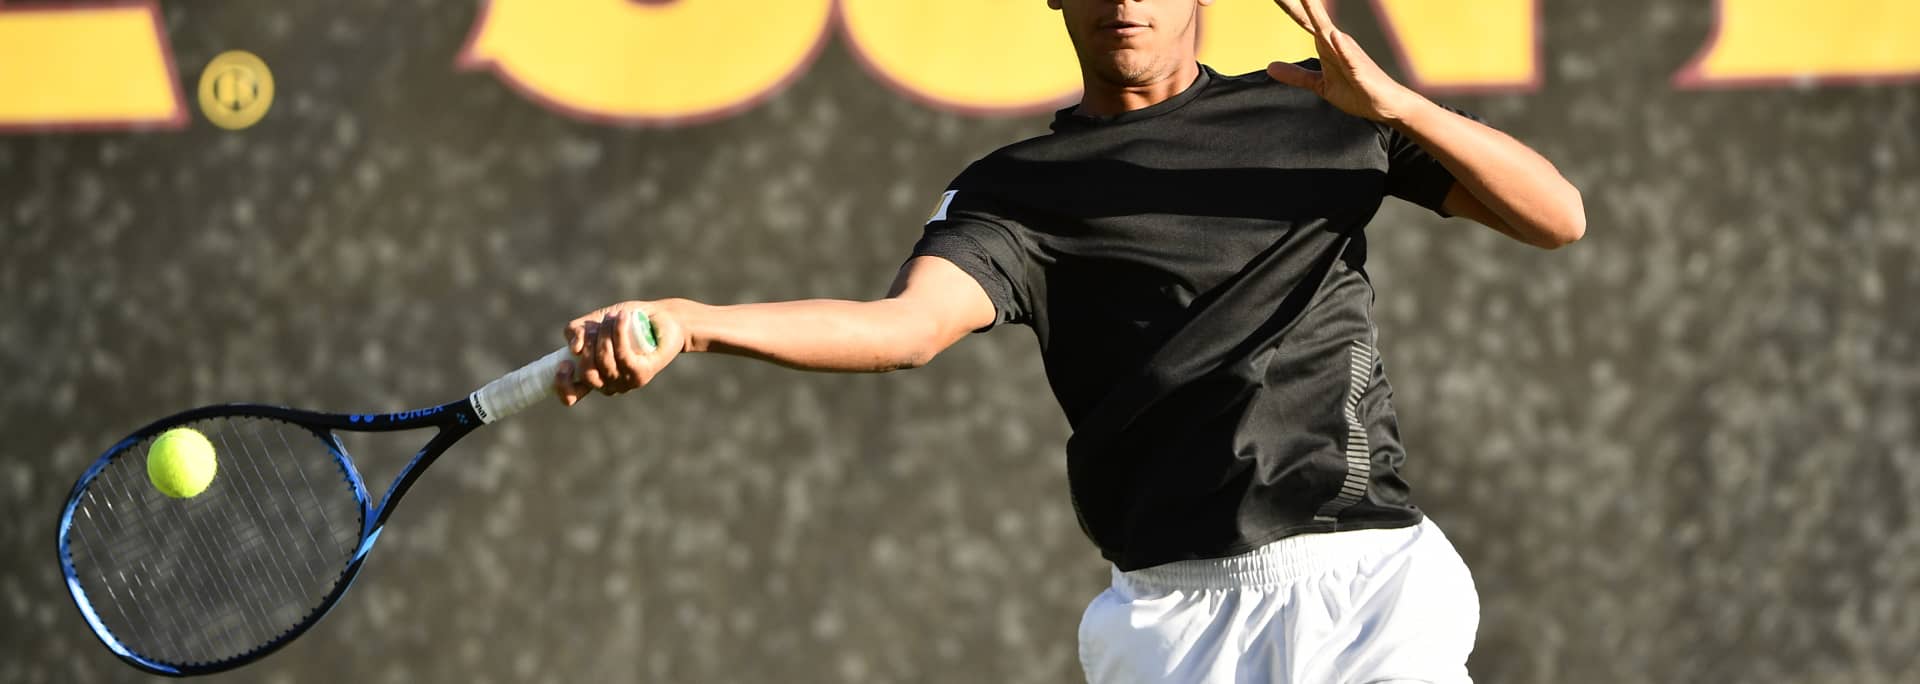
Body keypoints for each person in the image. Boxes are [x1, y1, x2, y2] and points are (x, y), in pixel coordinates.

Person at [553, 0, 1584, 681]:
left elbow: (1556, 218)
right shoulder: (1019, 190)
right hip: (1170, 619)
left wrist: (1397, 105)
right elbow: (904, 328)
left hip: (1368, 583)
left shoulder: (1325, 115)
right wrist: (695, 325)